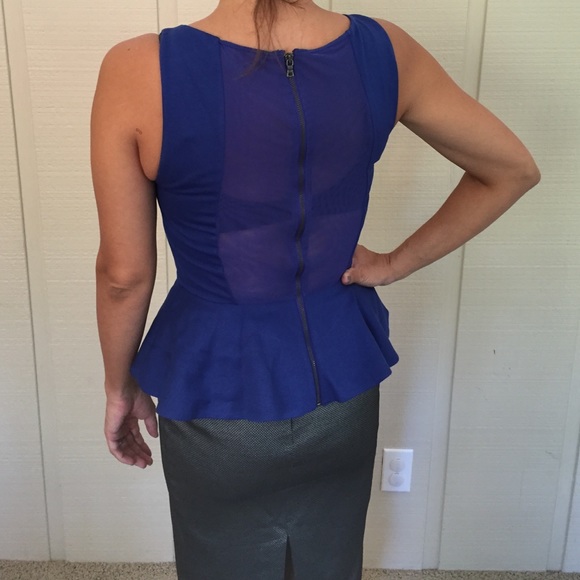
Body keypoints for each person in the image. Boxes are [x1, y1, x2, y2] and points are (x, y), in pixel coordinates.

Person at [90, 1, 540, 578]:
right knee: (328, 559)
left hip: (218, 393)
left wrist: (118, 384)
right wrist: (394, 264)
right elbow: (511, 168)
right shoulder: (385, 50)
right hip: (341, 386)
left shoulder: (138, 68)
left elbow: (123, 276)